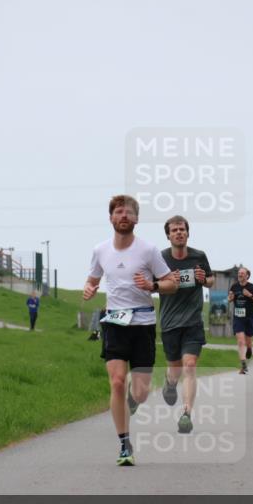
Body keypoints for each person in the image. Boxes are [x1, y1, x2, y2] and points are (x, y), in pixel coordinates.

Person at [82, 195, 176, 466]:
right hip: (114, 323)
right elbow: (91, 280)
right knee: (117, 381)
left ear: (137, 219)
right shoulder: (100, 250)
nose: (124, 216)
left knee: (141, 392)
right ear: (111, 217)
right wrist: (88, 289)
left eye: (129, 213)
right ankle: (124, 444)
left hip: (143, 325)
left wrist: (153, 287)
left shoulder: (148, 250)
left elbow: (172, 283)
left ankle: (132, 403)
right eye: (119, 212)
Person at [157, 215, 214, 434]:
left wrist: (203, 279)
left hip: (193, 321)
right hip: (170, 322)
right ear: (168, 235)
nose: (179, 232)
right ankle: (170, 383)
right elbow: (153, 285)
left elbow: (210, 280)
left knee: (189, 365)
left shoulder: (199, 256)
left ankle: (186, 414)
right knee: (175, 370)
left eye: (182, 229)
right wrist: (169, 281)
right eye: (174, 230)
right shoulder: (160, 258)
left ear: (188, 233)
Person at [228, 267, 253, 374]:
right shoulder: (234, 286)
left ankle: (250, 348)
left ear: (247, 275)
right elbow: (229, 299)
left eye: (242, 273)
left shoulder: (252, 287)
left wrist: (250, 295)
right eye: (239, 273)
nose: (240, 275)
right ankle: (243, 364)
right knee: (240, 341)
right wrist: (230, 298)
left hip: (250, 317)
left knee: (248, 342)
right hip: (238, 318)